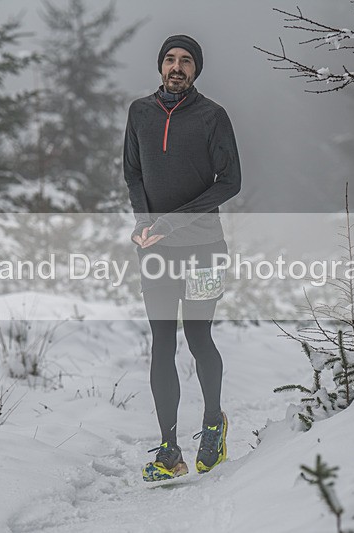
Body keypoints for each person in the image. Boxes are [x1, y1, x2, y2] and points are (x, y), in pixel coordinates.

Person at [123, 34, 242, 482]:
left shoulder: (213, 116)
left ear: (196, 70)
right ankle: (169, 450)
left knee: (197, 338)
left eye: (186, 60)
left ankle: (213, 425)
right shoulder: (139, 112)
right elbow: (132, 172)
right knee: (162, 344)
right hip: (155, 253)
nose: (177, 66)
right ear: (160, 66)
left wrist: (172, 221)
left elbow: (230, 182)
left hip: (205, 250)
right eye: (170, 59)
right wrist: (144, 222)